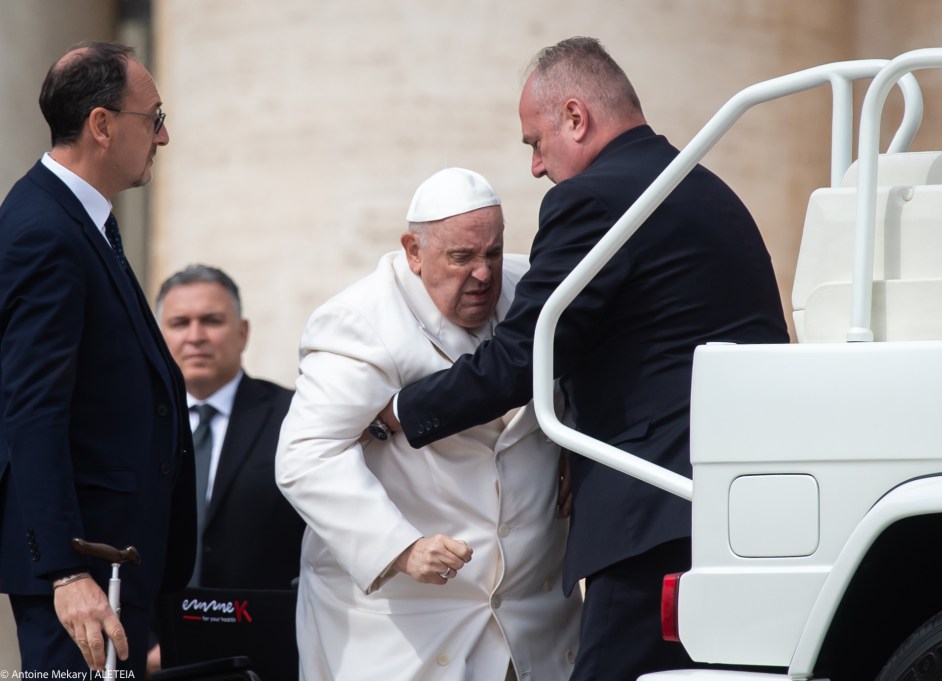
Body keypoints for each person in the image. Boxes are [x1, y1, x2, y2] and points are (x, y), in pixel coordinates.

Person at [378, 37, 791, 680]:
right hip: (742, 503)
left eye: (535, 142)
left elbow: (526, 354)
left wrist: (402, 409)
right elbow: (652, 341)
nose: (537, 167)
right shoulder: (706, 187)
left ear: (576, 117)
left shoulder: (590, 199)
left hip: (654, 514)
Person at [276, 167, 581, 681]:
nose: (483, 274)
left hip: (530, 624)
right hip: (404, 631)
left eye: (491, 252)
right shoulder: (359, 320)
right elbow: (306, 457)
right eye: (460, 257)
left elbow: (581, 368)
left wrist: (576, 450)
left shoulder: (532, 288)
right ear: (413, 252)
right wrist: (399, 547)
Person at [0, 42, 195, 676]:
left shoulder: (82, 223)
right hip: (85, 584)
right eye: (155, 116)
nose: (163, 137)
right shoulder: (45, 231)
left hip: (115, 567)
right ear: (102, 125)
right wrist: (64, 572)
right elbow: (32, 411)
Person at [146, 265, 306, 673]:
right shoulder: (133, 427)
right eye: (180, 323)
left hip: (266, 654)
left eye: (212, 321)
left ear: (243, 332)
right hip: (152, 654)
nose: (196, 336)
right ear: (158, 336)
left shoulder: (295, 417)